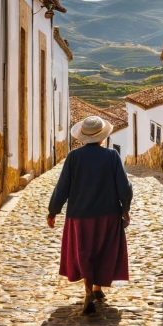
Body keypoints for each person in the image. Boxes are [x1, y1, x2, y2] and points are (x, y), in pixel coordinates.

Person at [47, 115, 133, 314]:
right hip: (108, 214)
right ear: (103, 137)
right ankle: (97, 288)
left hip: (79, 215)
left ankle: (89, 291)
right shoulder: (112, 157)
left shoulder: (74, 157)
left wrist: (53, 211)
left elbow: (62, 188)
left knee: (84, 251)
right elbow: (124, 187)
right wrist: (125, 207)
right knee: (103, 250)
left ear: (82, 138)